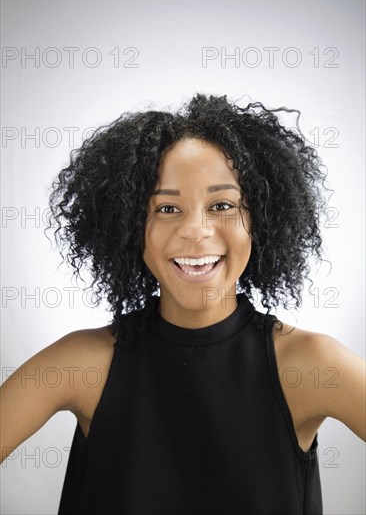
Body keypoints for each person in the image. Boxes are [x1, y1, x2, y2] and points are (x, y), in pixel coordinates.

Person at [1, 93, 365, 515]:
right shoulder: (82, 364)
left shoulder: (310, 365)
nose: (195, 230)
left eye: (222, 205)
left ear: (260, 221)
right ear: (130, 228)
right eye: (168, 207)